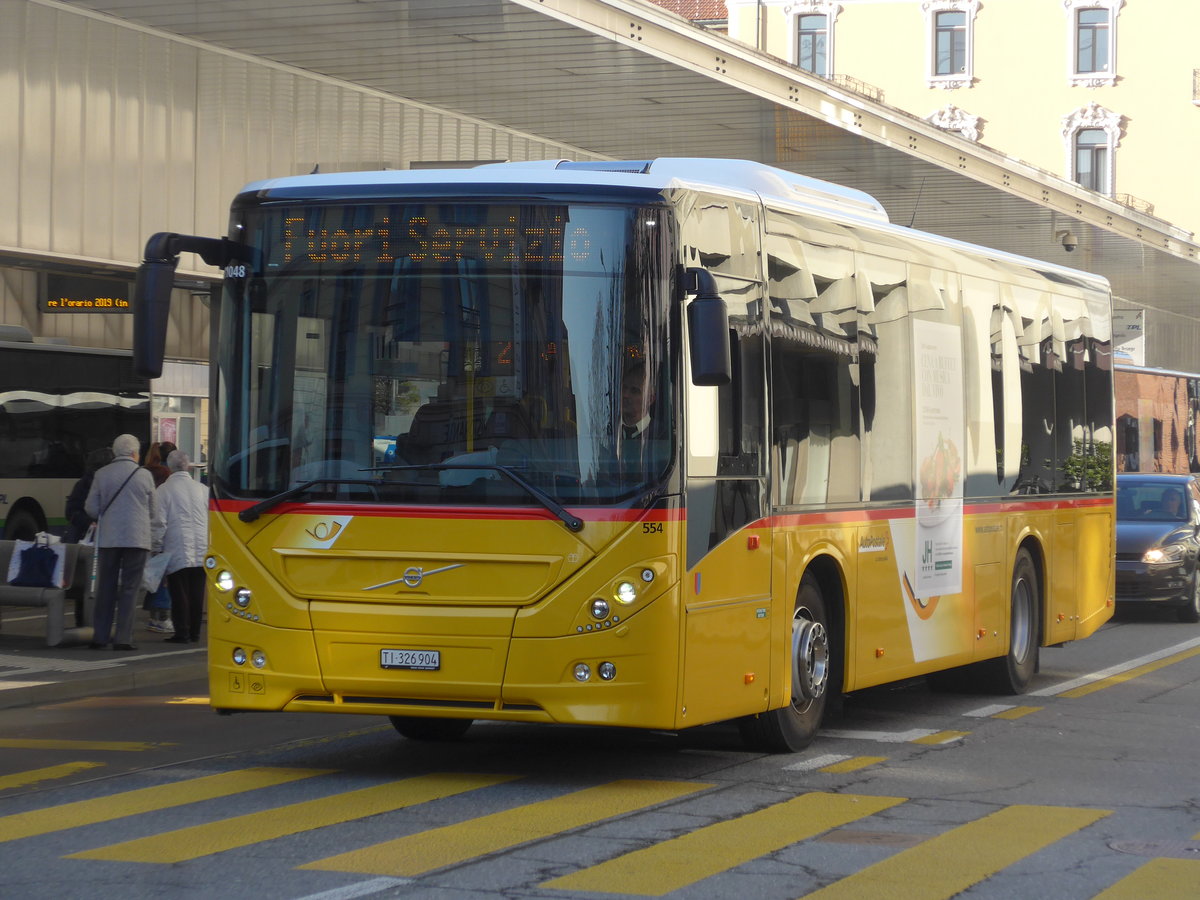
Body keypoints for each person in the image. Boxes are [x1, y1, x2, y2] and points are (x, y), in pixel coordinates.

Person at [84, 434, 157, 651]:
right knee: (130, 588)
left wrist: (107, 517)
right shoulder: (144, 476)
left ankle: (100, 636)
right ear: (135, 453)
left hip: (109, 539)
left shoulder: (101, 474)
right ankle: (123, 638)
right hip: (137, 539)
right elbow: (154, 511)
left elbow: (91, 508)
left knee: (105, 587)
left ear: (115, 452)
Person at [153, 449, 208, 644]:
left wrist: (156, 547)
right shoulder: (202, 489)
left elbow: (159, 523)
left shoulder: (164, 490)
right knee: (197, 592)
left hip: (176, 547)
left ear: (169, 467)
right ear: (187, 466)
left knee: (179, 592)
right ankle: (195, 632)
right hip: (202, 547)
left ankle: (182, 632)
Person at [64, 447, 113, 543]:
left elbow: (71, 511)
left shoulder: (82, 484)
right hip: (90, 536)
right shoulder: (85, 485)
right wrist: (90, 523)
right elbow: (72, 511)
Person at [620, 361, 654, 439]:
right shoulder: (607, 430)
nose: (625, 395)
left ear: (650, 399)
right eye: (624, 388)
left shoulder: (661, 436)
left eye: (634, 391)